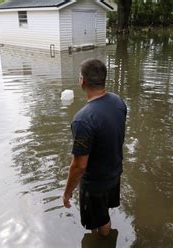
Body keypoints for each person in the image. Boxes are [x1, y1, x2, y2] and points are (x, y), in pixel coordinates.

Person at [63, 59, 127, 236]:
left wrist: (67, 193)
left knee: (101, 220)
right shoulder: (118, 102)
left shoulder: (83, 120)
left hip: (95, 184)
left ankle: (104, 241)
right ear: (104, 80)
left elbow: (79, 165)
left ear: (82, 80)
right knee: (102, 213)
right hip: (114, 173)